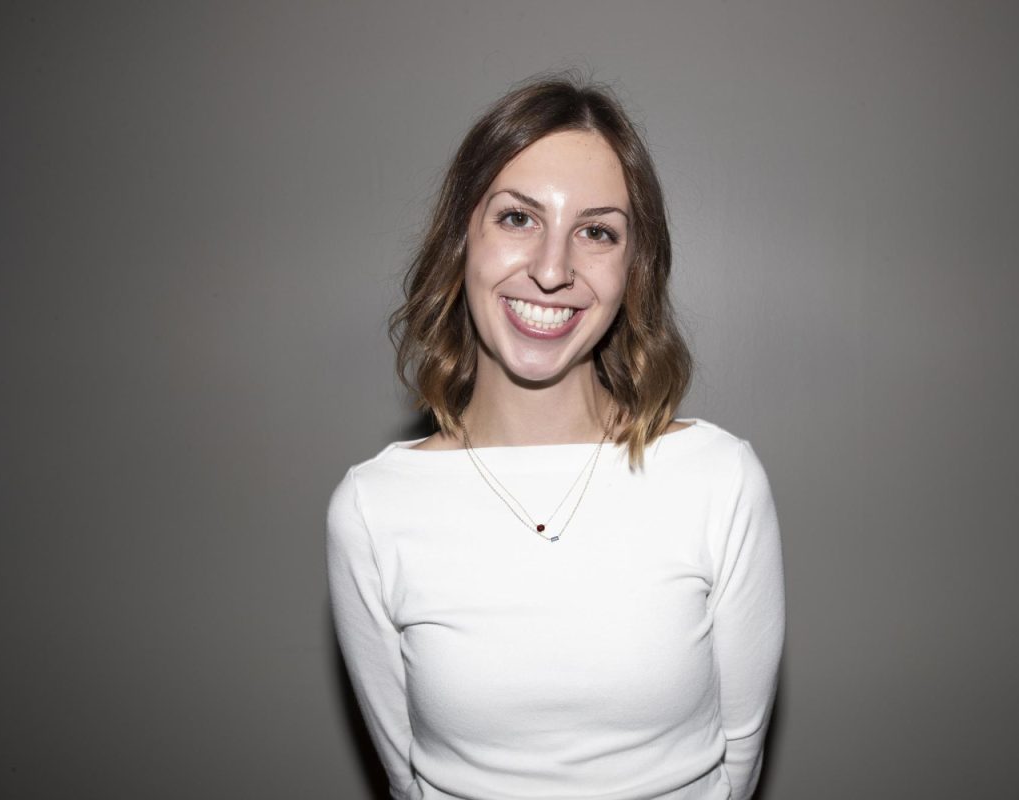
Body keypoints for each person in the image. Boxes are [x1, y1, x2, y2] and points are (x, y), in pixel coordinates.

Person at [327, 76, 785, 800]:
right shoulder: (373, 508)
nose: (551, 269)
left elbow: (738, 766)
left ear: (633, 271)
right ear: (461, 240)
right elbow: (407, 778)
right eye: (517, 218)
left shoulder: (718, 480)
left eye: (597, 232)